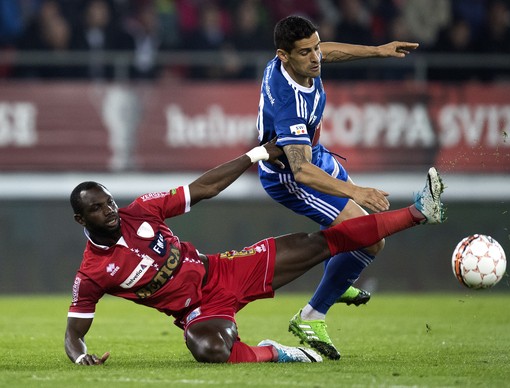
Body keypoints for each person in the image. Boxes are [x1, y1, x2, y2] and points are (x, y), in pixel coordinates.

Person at [64, 141, 445, 365]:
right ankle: (276, 353)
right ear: (81, 219)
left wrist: (256, 154)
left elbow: (205, 188)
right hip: (196, 311)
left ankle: (418, 212)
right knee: (210, 350)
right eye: (97, 208)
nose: (109, 209)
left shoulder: (142, 209)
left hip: (224, 271)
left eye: (109, 201)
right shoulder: (92, 273)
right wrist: (80, 356)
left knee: (317, 244)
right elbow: (74, 334)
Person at [255, 15, 420, 359]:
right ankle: (311, 316)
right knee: (371, 240)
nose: (316, 57)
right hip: (291, 176)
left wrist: (379, 51)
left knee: (359, 239)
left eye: (315, 47)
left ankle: (336, 282)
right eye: (306, 52)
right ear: (283, 56)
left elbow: (328, 51)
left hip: (318, 156)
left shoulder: (297, 61)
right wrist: (357, 192)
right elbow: (301, 171)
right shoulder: (289, 104)